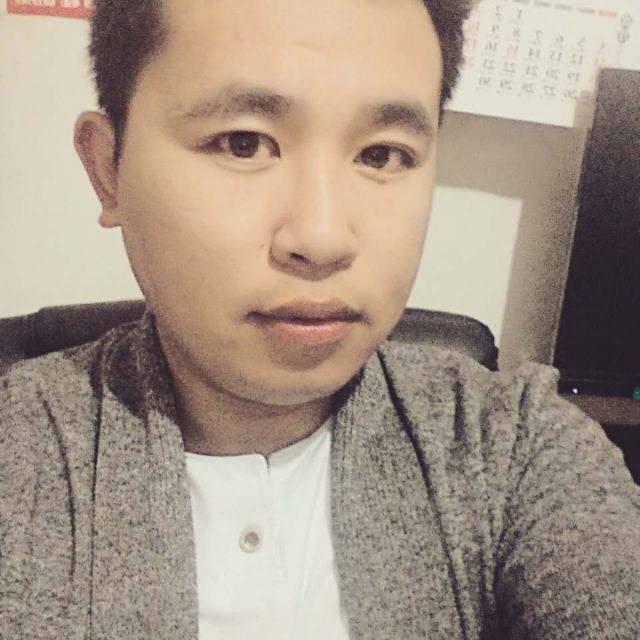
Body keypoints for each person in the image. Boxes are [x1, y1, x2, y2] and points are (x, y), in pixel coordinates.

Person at [1, 0, 639, 637]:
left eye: (382, 155)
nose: (323, 237)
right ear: (107, 168)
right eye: (244, 144)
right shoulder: (21, 454)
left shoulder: (512, 447)